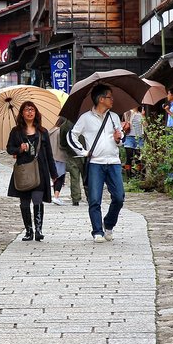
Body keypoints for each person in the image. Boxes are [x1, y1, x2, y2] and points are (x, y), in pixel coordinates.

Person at [67, 84, 126, 242]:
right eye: (110, 97)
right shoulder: (85, 118)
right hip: (95, 163)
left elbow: (121, 138)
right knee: (94, 199)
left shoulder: (114, 117)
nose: (112, 100)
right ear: (101, 99)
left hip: (113, 162)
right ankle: (97, 231)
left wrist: (119, 139)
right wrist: (83, 152)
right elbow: (71, 136)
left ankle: (109, 223)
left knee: (119, 197)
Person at [6, 100, 55, 241]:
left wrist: (54, 174)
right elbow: (9, 149)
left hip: (40, 170)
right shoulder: (16, 132)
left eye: (32, 109)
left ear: (36, 113)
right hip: (23, 171)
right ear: (22, 113)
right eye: (27, 110)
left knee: (38, 200)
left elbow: (49, 154)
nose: (30, 112)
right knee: (24, 203)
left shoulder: (43, 132)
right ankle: (29, 231)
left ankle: (39, 230)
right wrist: (19, 149)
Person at [59, 118, 85, 206]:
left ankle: (75, 198)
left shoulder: (64, 126)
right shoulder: (84, 121)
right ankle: (90, 197)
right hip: (84, 153)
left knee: (74, 177)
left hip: (71, 154)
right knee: (87, 177)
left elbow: (62, 143)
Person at [48, 118, 69, 205]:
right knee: (60, 177)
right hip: (60, 156)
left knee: (55, 176)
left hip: (52, 156)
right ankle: (56, 197)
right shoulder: (60, 132)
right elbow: (61, 145)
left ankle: (55, 196)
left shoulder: (51, 131)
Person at [123, 107, 145, 178]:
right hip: (129, 137)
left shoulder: (141, 114)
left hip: (139, 138)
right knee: (129, 157)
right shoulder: (127, 112)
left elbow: (146, 125)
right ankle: (128, 176)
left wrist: (143, 115)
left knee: (138, 159)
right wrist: (132, 114)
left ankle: (139, 176)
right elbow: (126, 123)